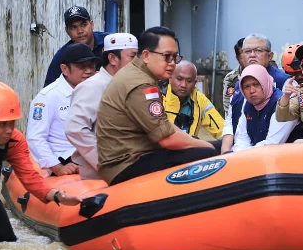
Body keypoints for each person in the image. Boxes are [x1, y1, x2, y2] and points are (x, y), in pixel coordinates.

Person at [0, 82, 82, 242]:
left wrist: (58, 196)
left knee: (5, 242)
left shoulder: (14, 141)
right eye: (2, 124)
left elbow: (30, 177)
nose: (9, 130)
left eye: (12, 123)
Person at [95, 26, 218, 186]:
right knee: (207, 153)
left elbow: (166, 126)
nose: (172, 64)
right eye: (167, 57)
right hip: (126, 165)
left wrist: (200, 142)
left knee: (209, 144)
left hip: (136, 155)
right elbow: (167, 139)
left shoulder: (140, 75)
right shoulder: (140, 84)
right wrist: (210, 149)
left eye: (175, 57)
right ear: (145, 55)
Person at [65, 33, 138, 180]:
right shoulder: (93, 86)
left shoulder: (130, 84)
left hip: (129, 167)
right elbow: (75, 129)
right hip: (101, 175)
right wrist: (107, 163)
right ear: (112, 59)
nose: (137, 63)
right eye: (132, 57)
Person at [27, 43, 100, 175]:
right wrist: (58, 167)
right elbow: (35, 138)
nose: (89, 71)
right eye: (81, 66)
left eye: (91, 65)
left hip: (93, 156)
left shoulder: (97, 90)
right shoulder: (47, 97)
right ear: (65, 69)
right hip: (65, 160)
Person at [220, 33, 291, 153]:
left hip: (275, 153)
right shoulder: (238, 84)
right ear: (241, 56)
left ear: (270, 56)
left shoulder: (285, 83)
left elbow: (274, 141)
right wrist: (225, 151)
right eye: (247, 51)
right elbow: (231, 121)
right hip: (242, 145)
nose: (252, 55)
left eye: (258, 50)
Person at [232, 65, 297, 151]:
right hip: (252, 155)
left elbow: (272, 144)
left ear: (265, 82)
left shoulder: (282, 104)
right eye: (246, 87)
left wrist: (243, 156)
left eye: (256, 84)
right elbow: (241, 138)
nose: (252, 91)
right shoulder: (248, 104)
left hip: (284, 158)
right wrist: (238, 154)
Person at [164, 60, 224, 150]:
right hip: (163, 150)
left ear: (195, 82)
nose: (183, 85)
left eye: (189, 81)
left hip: (189, 150)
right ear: (170, 78)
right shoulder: (158, 98)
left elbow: (221, 128)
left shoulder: (200, 100)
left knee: (220, 145)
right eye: (179, 79)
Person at [43, 5, 109, 86]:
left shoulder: (109, 42)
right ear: (67, 31)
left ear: (92, 24)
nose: (80, 31)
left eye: (84, 25)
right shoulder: (62, 56)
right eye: (73, 27)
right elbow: (49, 88)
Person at [222, 38, 245, 117]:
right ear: (237, 58)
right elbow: (228, 106)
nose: (248, 58)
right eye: (243, 56)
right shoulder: (231, 78)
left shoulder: (265, 73)